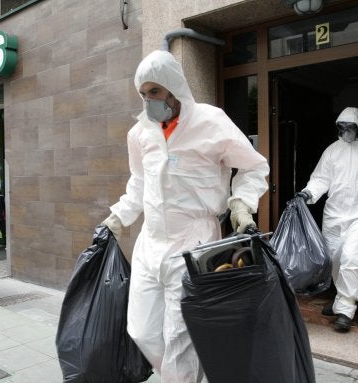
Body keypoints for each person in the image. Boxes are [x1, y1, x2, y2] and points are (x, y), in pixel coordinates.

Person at [101, 50, 269, 382]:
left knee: (181, 339)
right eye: (143, 94)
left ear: (173, 87)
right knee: (142, 330)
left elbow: (253, 166)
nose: (148, 101)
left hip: (195, 243)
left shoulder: (211, 121)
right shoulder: (140, 134)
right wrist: (120, 217)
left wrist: (241, 203)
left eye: (155, 92)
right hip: (150, 243)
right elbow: (138, 181)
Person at [296, 107, 358, 333]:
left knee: (354, 258)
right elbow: (321, 178)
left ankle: (346, 309)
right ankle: (340, 301)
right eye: (341, 127)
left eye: (350, 126)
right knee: (334, 257)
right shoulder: (332, 151)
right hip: (334, 212)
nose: (345, 131)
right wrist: (308, 193)